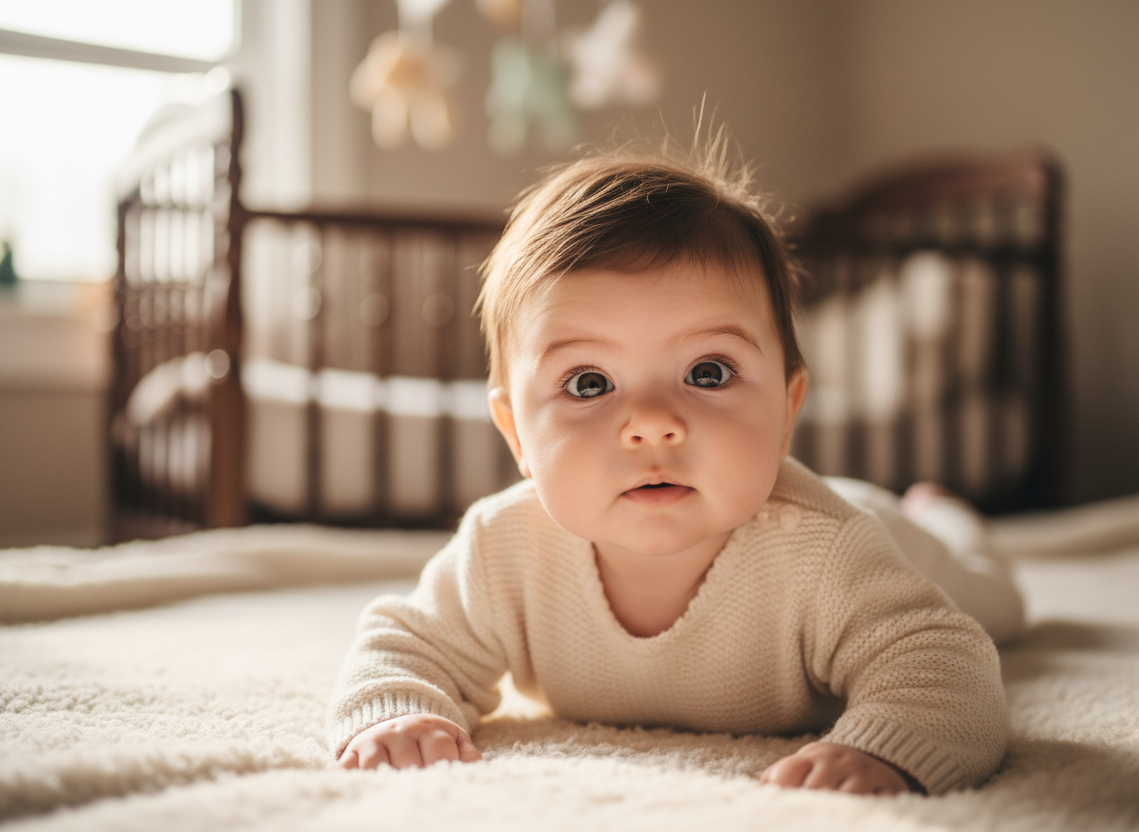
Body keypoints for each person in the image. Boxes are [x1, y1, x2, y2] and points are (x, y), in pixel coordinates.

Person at [327, 138, 1024, 796]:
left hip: (892, 532)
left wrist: (885, 747)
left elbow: (945, 662)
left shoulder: (828, 551)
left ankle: (950, 519)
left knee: (997, 607)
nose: (653, 422)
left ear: (787, 409)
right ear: (516, 433)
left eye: (708, 371)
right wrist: (398, 711)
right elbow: (407, 643)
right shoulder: (503, 548)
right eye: (589, 383)